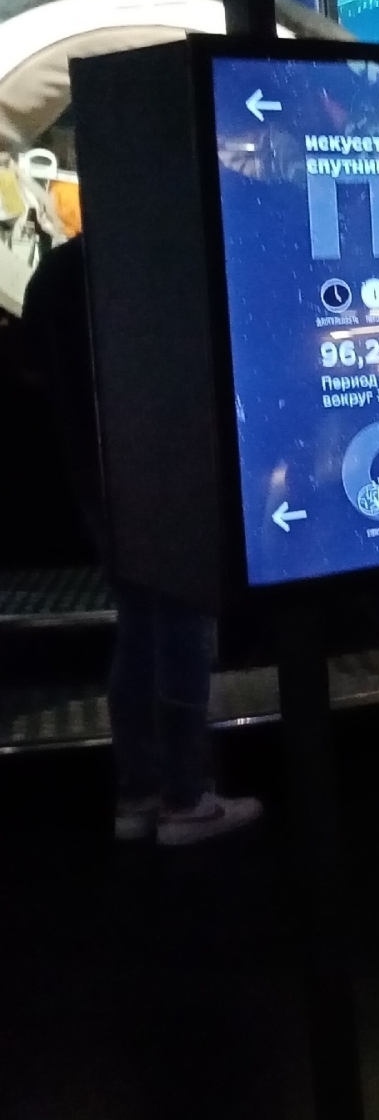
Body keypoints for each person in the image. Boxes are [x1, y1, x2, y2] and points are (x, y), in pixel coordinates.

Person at [19, 234, 260, 845]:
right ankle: (185, 799)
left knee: (137, 626)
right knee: (182, 623)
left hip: (93, 476)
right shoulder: (157, 259)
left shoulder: (56, 270)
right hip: (167, 468)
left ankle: (138, 793)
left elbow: (32, 370)